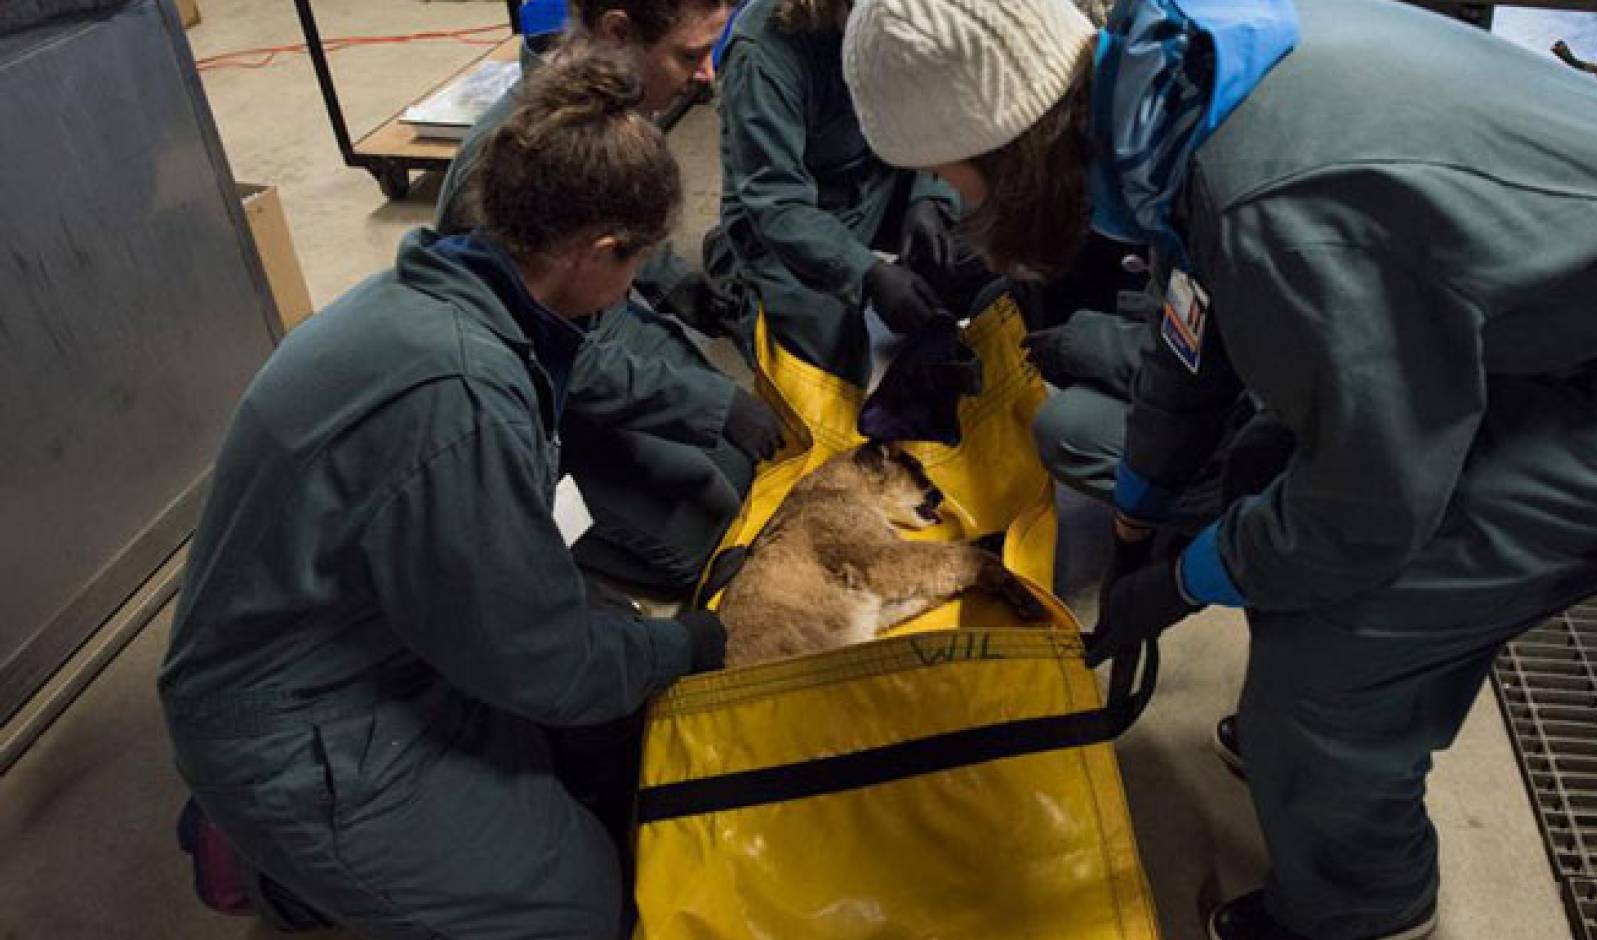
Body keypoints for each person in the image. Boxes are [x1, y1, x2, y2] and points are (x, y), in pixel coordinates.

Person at [840, 1, 1597, 939]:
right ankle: (1324, 756)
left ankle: (1363, 906)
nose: (954, 206)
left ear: (1009, 150)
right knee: (1260, 467)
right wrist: (1140, 502)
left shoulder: (1278, 210)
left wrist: (1195, 575)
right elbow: (1197, 321)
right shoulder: (1171, 82)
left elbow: (1367, 509)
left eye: (949, 178)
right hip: (1552, 313)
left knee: (1333, 657)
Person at [159, 46, 729, 940]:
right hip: (302, 724)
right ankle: (285, 869)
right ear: (600, 252)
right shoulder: (457, 398)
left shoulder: (446, 290)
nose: (629, 292)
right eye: (635, 268)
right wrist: (680, 648)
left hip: (360, 635)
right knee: (581, 907)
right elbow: (539, 661)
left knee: (612, 745)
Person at [436, 0, 783, 594]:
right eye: (691, 55)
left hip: (595, 321)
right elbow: (536, 352)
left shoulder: (613, 104)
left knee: (741, 467)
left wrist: (686, 292)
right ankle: (532, 528)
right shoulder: (502, 174)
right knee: (702, 542)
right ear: (619, 32)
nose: (707, 75)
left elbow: (621, 228)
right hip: (537, 380)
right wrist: (706, 403)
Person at [705, 0, 991, 389]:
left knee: (989, 238)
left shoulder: (906, 18)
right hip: (789, 218)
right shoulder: (761, 56)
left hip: (878, 175)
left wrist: (930, 197)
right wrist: (867, 272)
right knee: (830, 368)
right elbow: (778, 202)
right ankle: (736, 276)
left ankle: (918, 282)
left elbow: (937, 107)